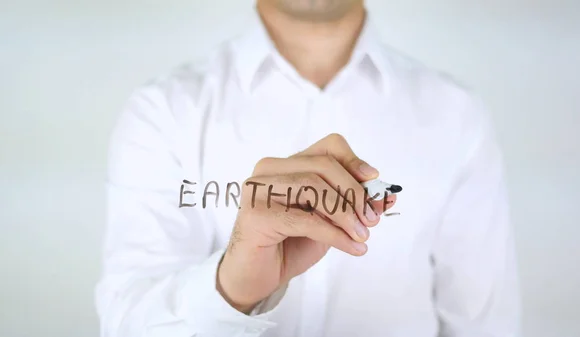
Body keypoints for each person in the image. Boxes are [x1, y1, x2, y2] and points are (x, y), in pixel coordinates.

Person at [95, 0, 521, 336]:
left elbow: (484, 325)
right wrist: (233, 288)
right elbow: (127, 324)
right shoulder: (164, 111)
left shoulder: (457, 115)